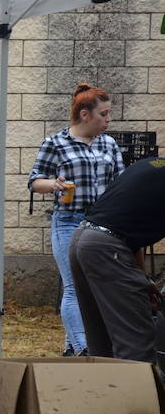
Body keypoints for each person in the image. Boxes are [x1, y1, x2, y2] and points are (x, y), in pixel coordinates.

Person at [28, 83, 123, 357]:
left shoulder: (109, 144)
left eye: (108, 114)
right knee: (73, 287)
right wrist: (53, 185)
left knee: (95, 288)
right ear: (84, 115)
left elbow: (119, 183)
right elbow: (35, 182)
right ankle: (84, 350)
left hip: (101, 224)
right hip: (68, 221)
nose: (108, 119)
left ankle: (73, 347)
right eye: (103, 114)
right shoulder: (55, 143)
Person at [68, 155, 164, 363]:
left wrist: (143, 280)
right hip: (107, 249)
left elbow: (131, 234)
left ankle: (105, 392)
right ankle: (134, 395)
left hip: (83, 240)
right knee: (135, 340)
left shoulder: (152, 166)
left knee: (100, 339)